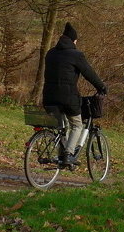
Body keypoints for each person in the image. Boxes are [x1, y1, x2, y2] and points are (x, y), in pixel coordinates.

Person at [41, 22, 107, 165]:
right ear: (73, 40)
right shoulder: (76, 55)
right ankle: (68, 154)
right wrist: (101, 87)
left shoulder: (50, 53)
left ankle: (61, 153)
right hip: (68, 98)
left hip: (48, 97)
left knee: (61, 127)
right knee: (77, 125)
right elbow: (89, 73)